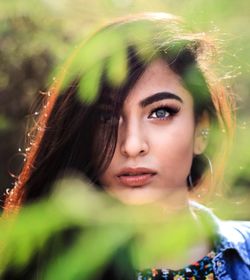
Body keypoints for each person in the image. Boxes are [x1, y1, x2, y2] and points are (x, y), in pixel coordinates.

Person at [2, 12, 250, 279]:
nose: (132, 145)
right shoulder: (34, 264)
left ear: (201, 131)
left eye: (161, 112)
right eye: (107, 117)